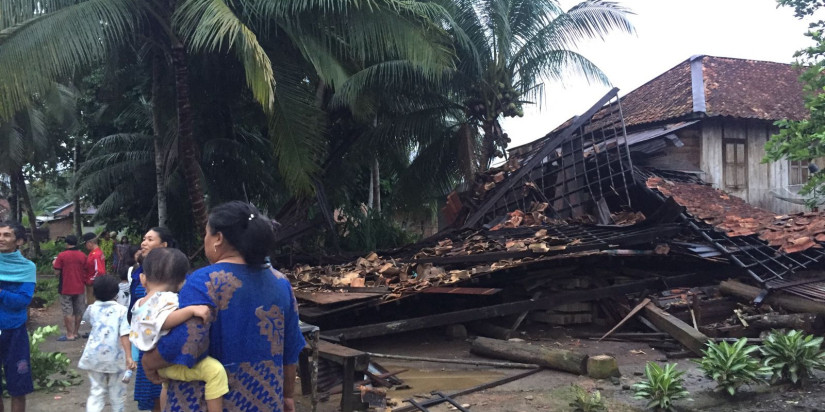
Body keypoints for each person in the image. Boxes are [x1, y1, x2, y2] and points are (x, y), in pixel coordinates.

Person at [143, 201, 305, 412]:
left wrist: (149, 361)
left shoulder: (203, 281)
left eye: (206, 234)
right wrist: (287, 395)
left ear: (218, 238)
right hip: (266, 399)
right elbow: (290, 349)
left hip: (208, 402)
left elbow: (189, 341)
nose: (205, 240)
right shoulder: (281, 283)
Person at [130, 248, 227, 412]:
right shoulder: (167, 299)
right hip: (169, 361)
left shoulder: (140, 303)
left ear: (142, 278)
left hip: (158, 361)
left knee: (166, 385)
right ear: (182, 282)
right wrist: (190, 310)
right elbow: (163, 321)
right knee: (215, 372)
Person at [130, 228, 176, 412]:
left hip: (162, 341)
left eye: (150, 239)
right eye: (144, 239)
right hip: (145, 341)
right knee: (152, 393)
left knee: (164, 389)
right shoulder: (140, 271)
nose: (144, 243)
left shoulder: (172, 271)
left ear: (164, 245)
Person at [78, 275, 135, 412]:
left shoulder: (91, 309)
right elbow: (124, 334)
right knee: (118, 395)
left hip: (94, 357)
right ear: (116, 293)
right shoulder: (122, 310)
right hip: (115, 358)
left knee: (96, 393)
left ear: (94, 292)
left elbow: (86, 321)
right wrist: (129, 356)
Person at [0, 220, 36, 412]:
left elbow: (22, 301)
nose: (0, 239)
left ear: (19, 241)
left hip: (14, 332)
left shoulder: (27, 267)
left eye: (6, 235)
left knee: (18, 386)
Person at [54, 235, 88, 341]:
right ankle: (76, 332)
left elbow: (57, 272)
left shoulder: (62, 255)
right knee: (79, 311)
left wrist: (53, 264)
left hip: (65, 287)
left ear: (66, 243)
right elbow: (86, 269)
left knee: (67, 311)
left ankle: (69, 334)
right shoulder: (83, 255)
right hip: (79, 287)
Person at [83, 233, 106, 305]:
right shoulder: (97, 252)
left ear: (90, 243)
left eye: (85, 244)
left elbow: (99, 271)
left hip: (93, 284)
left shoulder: (95, 254)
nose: (85, 246)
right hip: (94, 282)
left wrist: (90, 280)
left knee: (92, 303)